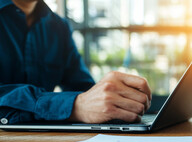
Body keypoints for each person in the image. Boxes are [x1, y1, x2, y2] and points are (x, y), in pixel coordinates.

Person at [0, 0, 151, 125]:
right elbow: (81, 104)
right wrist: (74, 107)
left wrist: (114, 99)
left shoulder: (59, 27)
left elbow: (83, 89)